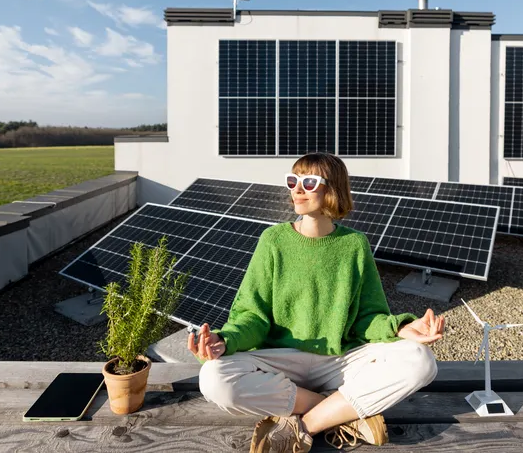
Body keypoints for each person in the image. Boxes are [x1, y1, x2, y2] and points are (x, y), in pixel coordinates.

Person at [188, 152, 446, 452]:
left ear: (332, 189)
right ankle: (338, 410)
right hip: (281, 360)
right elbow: (252, 315)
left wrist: (401, 328)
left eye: (309, 182)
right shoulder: (273, 241)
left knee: (421, 361)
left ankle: (306, 424)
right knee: (213, 378)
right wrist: (224, 340)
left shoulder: (354, 244)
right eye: (292, 181)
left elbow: (368, 317)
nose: (297, 189)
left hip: (340, 361)